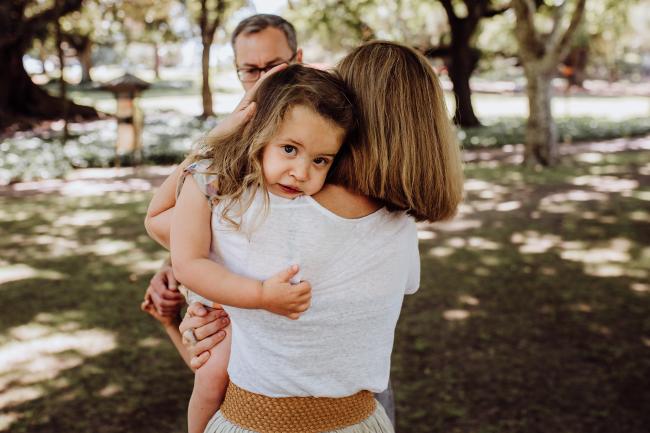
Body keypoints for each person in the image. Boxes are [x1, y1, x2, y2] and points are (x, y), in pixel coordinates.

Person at [144, 40, 463, 433]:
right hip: (364, 421)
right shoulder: (401, 229)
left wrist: (215, 140)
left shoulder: (251, 208)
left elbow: (159, 221)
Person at [146, 64, 356, 433]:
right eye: (289, 149)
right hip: (223, 311)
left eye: (320, 160)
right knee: (212, 378)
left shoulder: (322, 199)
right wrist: (260, 295)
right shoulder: (215, 181)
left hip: (309, 373)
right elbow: (185, 256)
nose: (302, 172)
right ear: (257, 134)